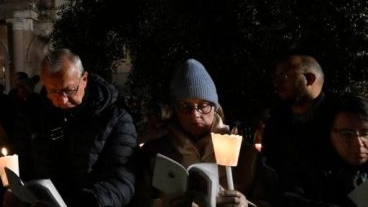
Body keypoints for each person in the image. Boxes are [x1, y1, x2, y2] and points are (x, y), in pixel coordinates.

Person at [132, 59, 274, 207]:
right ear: (175, 110)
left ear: (215, 107)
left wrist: (245, 205)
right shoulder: (153, 153)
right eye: (186, 107)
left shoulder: (245, 154)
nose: (195, 115)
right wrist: (162, 204)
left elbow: (268, 201)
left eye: (203, 105)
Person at [14, 48, 137, 207]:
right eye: (53, 91)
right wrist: (20, 194)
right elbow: (25, 166)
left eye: (68, 90)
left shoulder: (116, 120)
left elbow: (122, 180)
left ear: (84, 79)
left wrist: (88, 201)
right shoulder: (35, 116)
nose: (62, 100)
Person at [281, 95, 368, 206]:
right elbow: (288, 199)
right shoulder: (306, 164)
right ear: (329, 133)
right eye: (347, 134)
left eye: (365, 133)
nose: (359, 144)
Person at [261, 54, 330, 179]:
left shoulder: (340, 118)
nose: (276, 83)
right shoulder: (276, 119)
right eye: (275, 77)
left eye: (284, 76)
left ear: (309, 79)